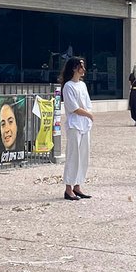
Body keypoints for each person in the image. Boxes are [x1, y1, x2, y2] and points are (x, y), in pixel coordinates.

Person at [61, 57, 95, 200]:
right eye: (81, 66)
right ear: (75, 68)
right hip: (75, 124)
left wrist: (88, 114)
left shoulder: (82, 85)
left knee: (83, 155)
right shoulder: (68, 86)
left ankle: (78, 185)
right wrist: (88, 114)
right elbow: (72, 107)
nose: (84, 69)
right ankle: (68, 187)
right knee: (73, 155)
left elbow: (87, 103)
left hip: (84, 124)